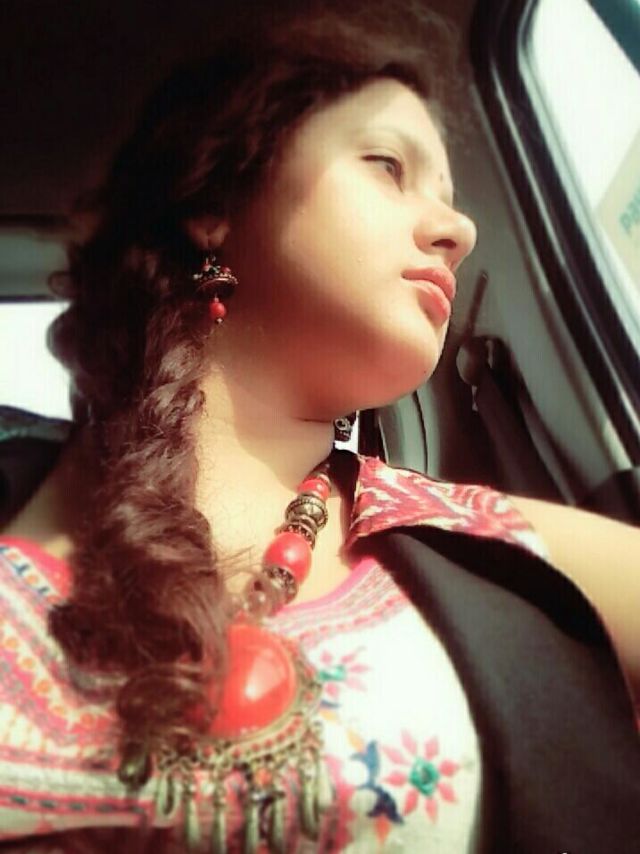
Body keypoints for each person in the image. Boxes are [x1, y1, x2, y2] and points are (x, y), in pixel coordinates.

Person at [0, 2, 639, 851]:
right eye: (387, 165)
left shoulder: (497, 545)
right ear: (215, 202)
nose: (459, 230)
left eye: (450, 198)